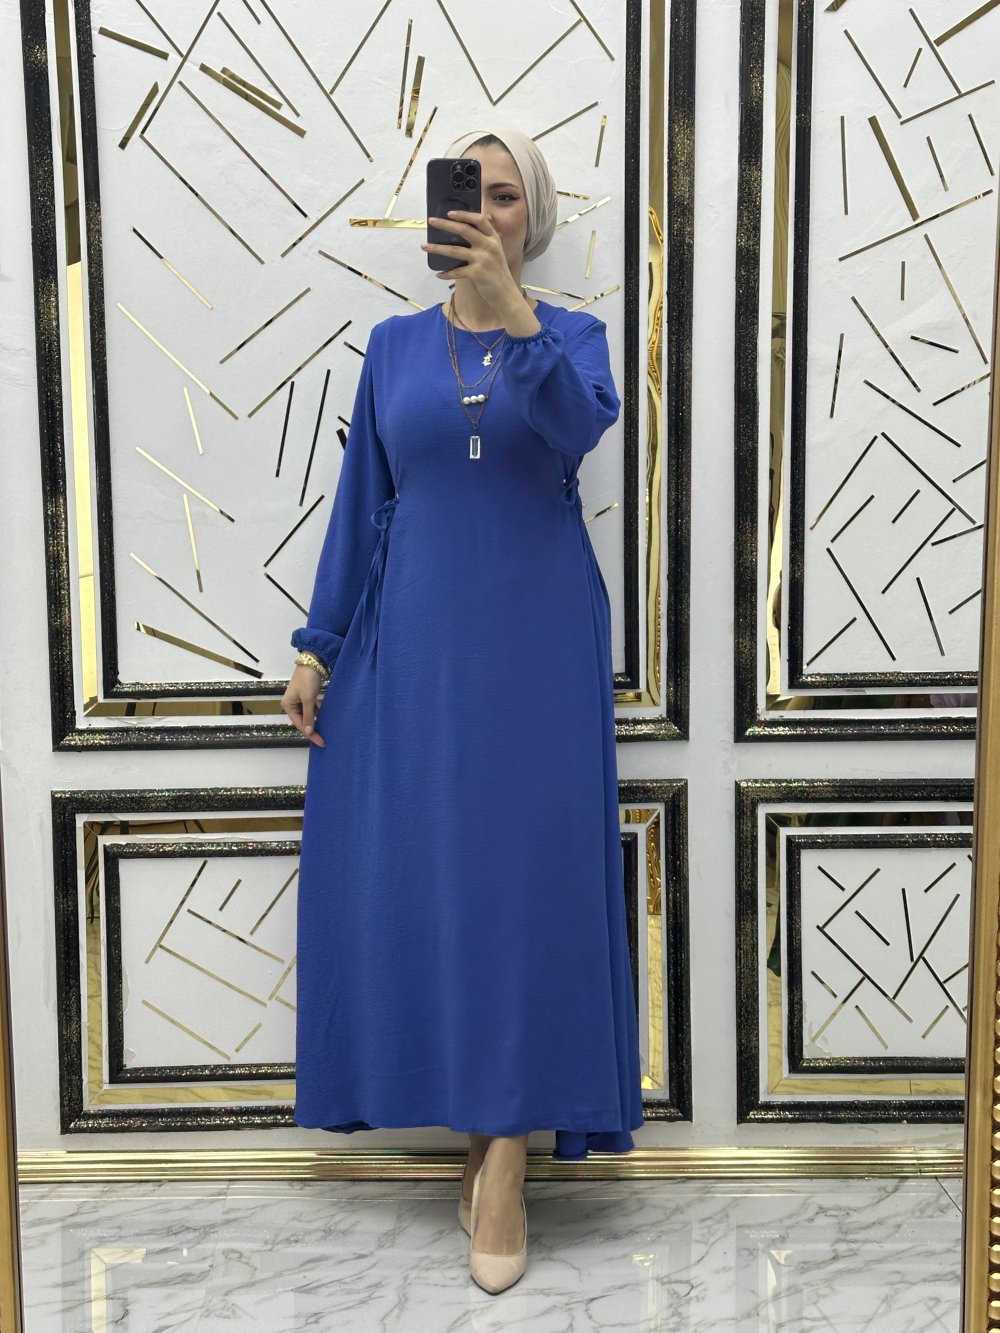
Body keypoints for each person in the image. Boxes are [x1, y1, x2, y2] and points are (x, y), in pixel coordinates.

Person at [280, 125, 643, 1294]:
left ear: (533, 217)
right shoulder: (392, 347)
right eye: (465, 193)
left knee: (524, 887)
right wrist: (318, 646)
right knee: (438, 882)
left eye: (504, 195)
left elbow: (575, 428)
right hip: (416, 646)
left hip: (537, 645)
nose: (483, 211)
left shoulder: (571, 337)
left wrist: (513, 310)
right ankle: (487, 1141)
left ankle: (505, 1164)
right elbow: (363, 501)